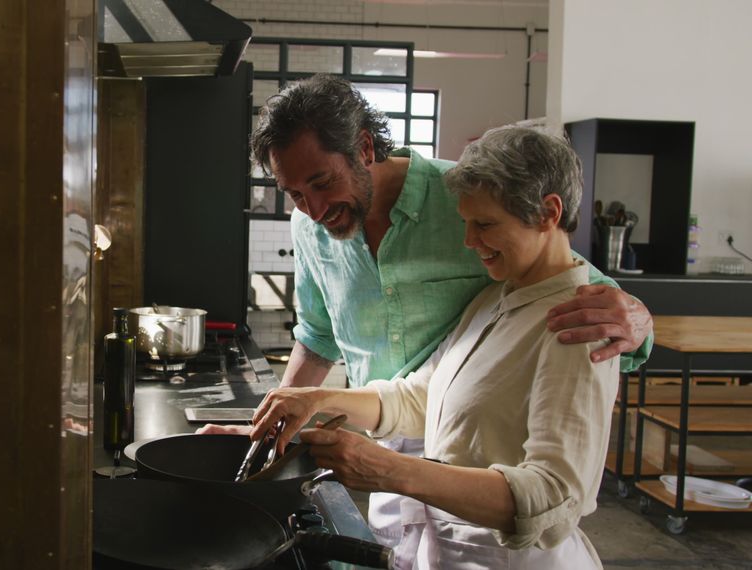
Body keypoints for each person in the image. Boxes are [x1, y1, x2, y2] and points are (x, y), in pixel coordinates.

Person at [200, 74, 653, 546]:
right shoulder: (312, 229)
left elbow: (585, 292)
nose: (312, 209)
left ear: (364, 148)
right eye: (294, 193)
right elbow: (324, 339)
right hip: (379, 434)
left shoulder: (467, 194)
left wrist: (641, 318)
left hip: (474, 458)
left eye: (322, 182)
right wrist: (274, 426)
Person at [251, 125, 618, 568]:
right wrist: (314, 400)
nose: (468, 242)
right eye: (466, 222)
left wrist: (391, 472)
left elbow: (554, 497)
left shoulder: (578, 327)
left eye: (484, 224)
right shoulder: (495, 299)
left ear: (547, 213)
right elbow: (419, 396)